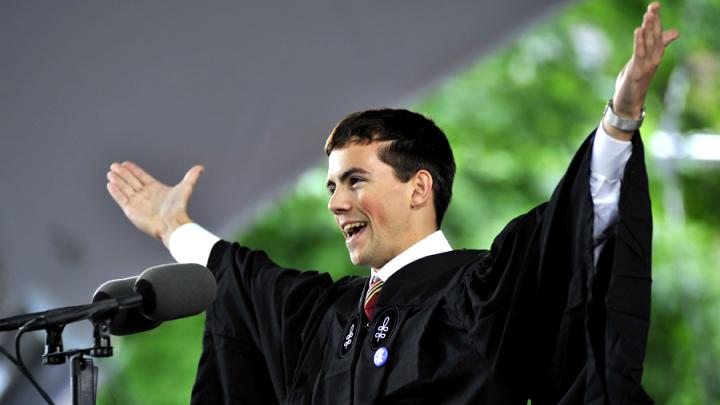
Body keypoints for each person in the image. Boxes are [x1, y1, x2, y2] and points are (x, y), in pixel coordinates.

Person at [106, 3, 678, 404]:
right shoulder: (325, 318)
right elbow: (238, 277)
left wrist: (619, 121)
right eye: (332, 186)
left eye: (355, 181)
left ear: (419, 187)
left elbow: (574, 232)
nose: (337, 203)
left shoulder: (482, 293)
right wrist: (171, 225)